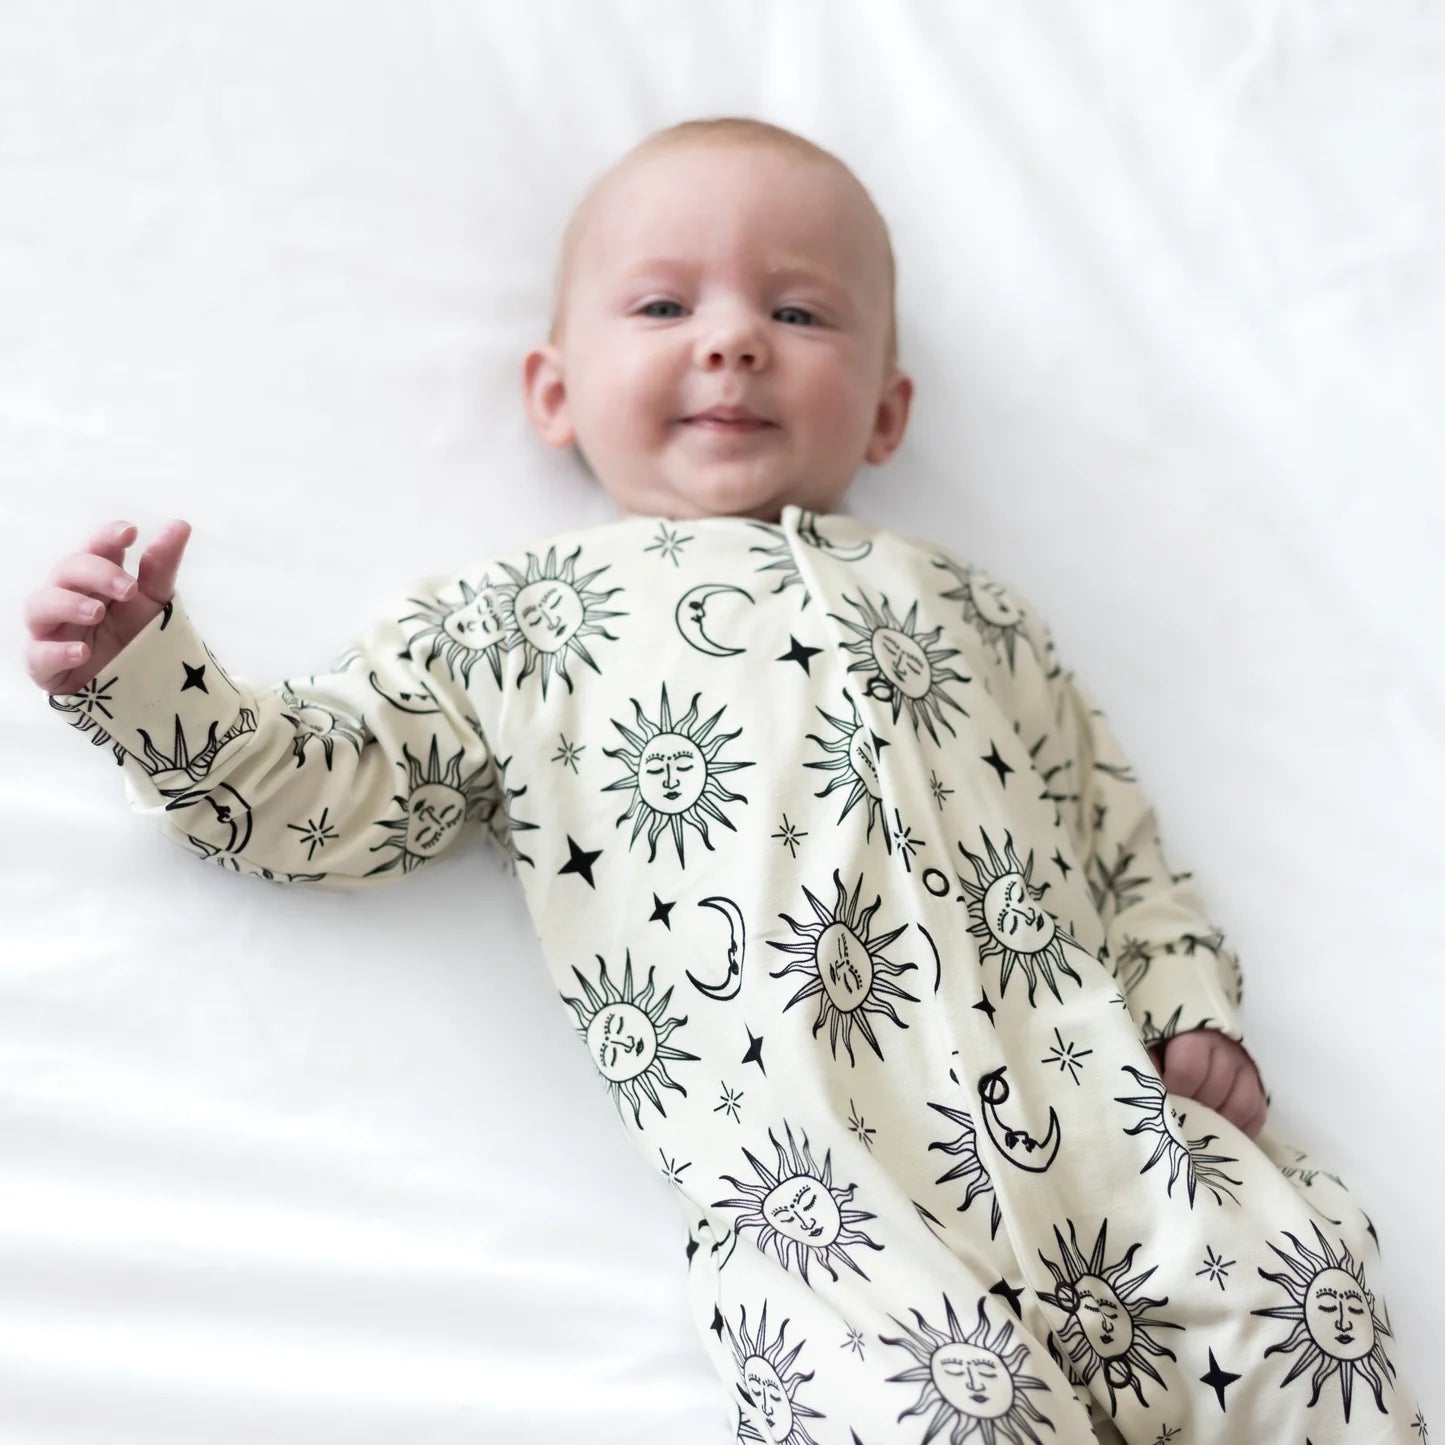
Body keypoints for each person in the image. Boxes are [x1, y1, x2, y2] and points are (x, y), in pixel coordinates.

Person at [23, 118, 1424, 1444]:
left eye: (799, 313)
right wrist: (146, 676)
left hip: (1118, 1137)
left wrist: (1184, 1004)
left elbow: (1117, 837)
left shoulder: (975, 612)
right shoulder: (519, 622)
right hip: (824, 1208)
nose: (735, 340)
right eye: (661, 305)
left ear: (886, 412)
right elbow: (328, 792)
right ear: (555, 390)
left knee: (1304, 1323)